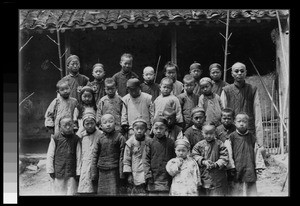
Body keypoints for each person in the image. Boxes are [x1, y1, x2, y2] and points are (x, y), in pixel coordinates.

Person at [220, 62, 265, 170]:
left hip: (248, 130)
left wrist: (260, 140)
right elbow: (223, 113)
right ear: (232, 73)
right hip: (232, 131)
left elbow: (257, 113)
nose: (239, 73)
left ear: (246, 73)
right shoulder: (226, 90)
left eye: (242, 71)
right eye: (236, 71)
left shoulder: (252, 89)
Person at [90, 114, 126, 195]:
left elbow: (122, 156)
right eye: (105, 122)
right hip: (102, 170)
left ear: (115, 123)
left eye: (110, 122)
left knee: (113, 192)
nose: (108, 124)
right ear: (101, 126)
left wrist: (121, 174)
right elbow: (95, 156)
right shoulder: (100, 138)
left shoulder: (120, 137)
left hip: (114, 170)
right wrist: (94, 173)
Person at [46, 116, 81, 195]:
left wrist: (78, 171)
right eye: (65, 125)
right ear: (60, 127)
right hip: (59, 170)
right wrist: (50, 170)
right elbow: (50, 155)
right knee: (59, 191)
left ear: (73, 125)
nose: (68, 127)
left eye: (70, 125)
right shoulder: (55, 138)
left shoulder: (76, 139)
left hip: (72, 170)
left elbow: (79, 156)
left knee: (71, 191)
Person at [191, 122, 229, 196]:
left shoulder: (219, 144)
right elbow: (194, 155)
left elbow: (224, 157)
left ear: (215, 133)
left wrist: (216, 164)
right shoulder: (199, 145)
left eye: (211, 133)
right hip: (204, 176)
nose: (209, 136)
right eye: (206, 133)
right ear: (202, 133)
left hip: (218, 177)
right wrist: (203, 161)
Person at [228, 113, 259, 196]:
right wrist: (231, 166)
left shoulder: (252, 137)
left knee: (251, 184)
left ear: (248, 123)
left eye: (244, 121)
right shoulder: (232, 137)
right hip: (237, 166)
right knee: (237, 187)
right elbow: (229, 152)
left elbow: (256, 151)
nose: (242, 123)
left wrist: (258, 165)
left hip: (249, 165)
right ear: (235, 122)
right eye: (239, 121)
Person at [143, 117, 176, 196]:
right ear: (152, 129)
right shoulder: (149, 142)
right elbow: (145, 160)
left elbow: (175, 159)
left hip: (166, 178)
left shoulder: (171, 143)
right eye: (156, 128)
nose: (158, 131)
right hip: (153, 178)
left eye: (161, 128)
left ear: (166, 129)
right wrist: (148, 174)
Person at [123, 118, 152, 195]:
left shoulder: (149, 141)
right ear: (133, 129)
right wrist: (129, 175)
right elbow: (126, 160)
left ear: (145, 130)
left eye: (142, 129)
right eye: (137, 129)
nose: (139, 131)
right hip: (135, 171)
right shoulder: (130, 143)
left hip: (146, 171)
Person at [77, 110, 102, 195]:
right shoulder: (81, 135)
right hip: (85, 160)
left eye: (92, 123)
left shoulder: (100, 134)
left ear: (95, 123)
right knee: (85, 180)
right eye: (87, 124)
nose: (90, 126)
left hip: (96, 161)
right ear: (83, 125)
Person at [215, 108, 236, 195]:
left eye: (229, 118)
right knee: (222, 179)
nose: (226, 120)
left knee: (232, 179)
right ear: (221, 119)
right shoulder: (217, 130)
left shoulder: (235, 129)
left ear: (233, 119)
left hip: (233, 157)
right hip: (221, 157)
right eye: (224, 118)